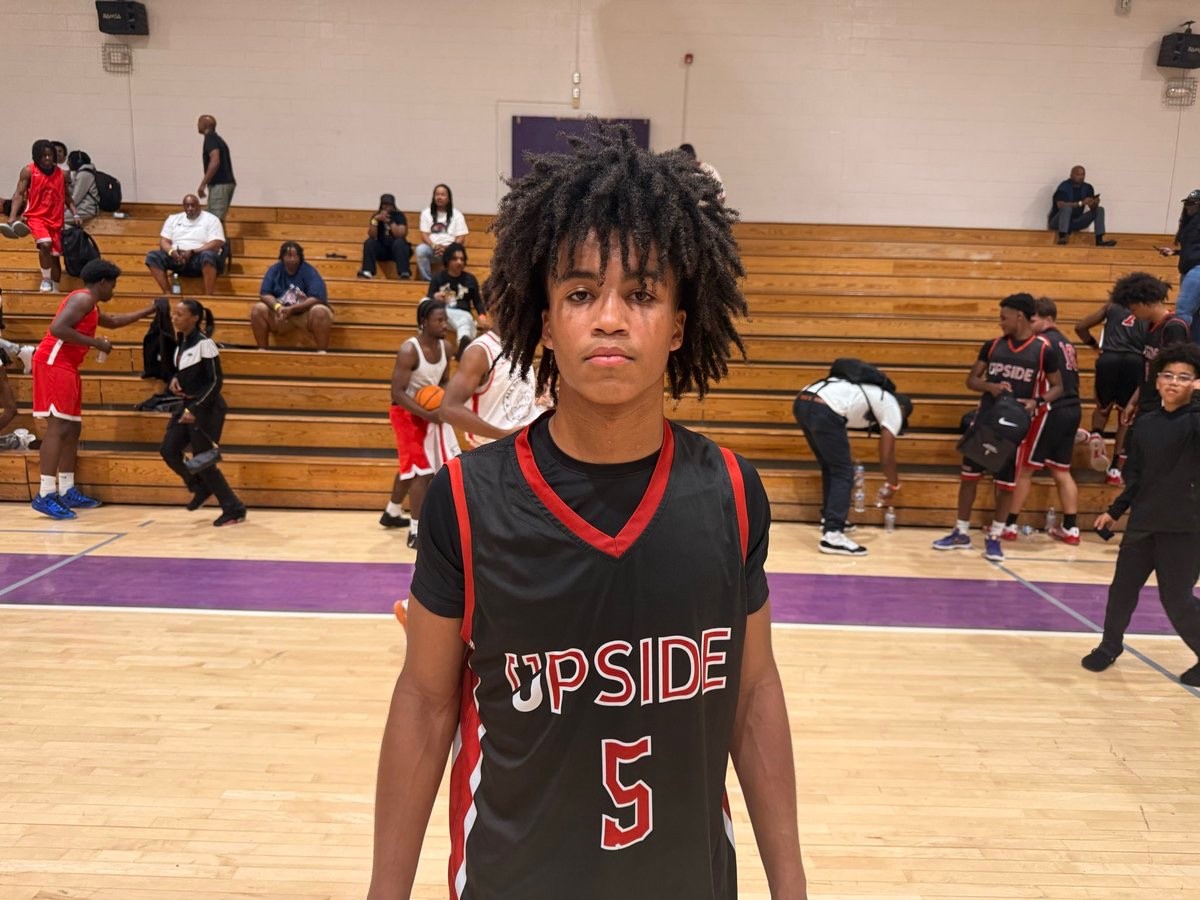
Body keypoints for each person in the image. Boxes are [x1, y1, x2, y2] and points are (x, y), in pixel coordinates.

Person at [368, 124, 807, 900]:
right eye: (579, 293)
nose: (609, 318)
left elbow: (752, 695)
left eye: (641, 294)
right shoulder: (467, 500)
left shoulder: (733, 494)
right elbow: (426, 703)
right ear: (544, 322)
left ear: (679, 324)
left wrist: (791, 886)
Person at [1085, 343, 1200, 688]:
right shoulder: (1145, 424)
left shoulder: (1195, 421)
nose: (1174, 382)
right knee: (1121, 590)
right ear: (1157, 380)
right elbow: (1136, 476)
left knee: (1176, 599)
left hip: (1185, 528)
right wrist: (1114, 511)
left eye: (1184, 377)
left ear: (1195, 383)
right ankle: (1109, 646)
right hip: (1143, 523)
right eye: (1168, 375)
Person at [932, 293, 1063, 562]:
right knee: (969, 478)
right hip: (986, 420)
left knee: (1005, 485)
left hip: (1013, 427)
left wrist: (1037, 401)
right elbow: (971, 380)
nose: (1000, 322)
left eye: (1004, 317)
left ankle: (995, 536)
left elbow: (1059, 387)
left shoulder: (1044, 350)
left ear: (1019, 316)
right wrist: (989, 386)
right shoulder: (992, 346)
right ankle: (961, 531)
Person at [29, 259, 155, 519]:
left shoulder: (91, 305)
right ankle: (45, 494)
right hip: (54, 362)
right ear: (103, 282)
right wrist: (95, 343)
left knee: (72, 428)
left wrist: (149, 310)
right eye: (113, 285)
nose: (113, 290)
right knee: (58, 427)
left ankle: (66, 489)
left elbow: (115, 321)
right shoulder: (83, 298)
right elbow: (58, 329)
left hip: (67, 366)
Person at [792, 373, 911, 556]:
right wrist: (893, 484)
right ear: (902, 409)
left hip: (803, 400)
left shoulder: (870, 393)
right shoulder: (893, 406)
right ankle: (833, 535)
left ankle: (830, 517)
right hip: (824, 406)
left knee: (831, 466)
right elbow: (887, 457)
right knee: (843, 472)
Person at [379, 298, 460, 546]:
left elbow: (443, 380)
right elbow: (397, 393)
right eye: (439, 320)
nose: (444, 324)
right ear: (424, 322)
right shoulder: (409, 350)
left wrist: (443, 401)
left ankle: (392, 512)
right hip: (405, 413)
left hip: (430, 412)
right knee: (421, 471)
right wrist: (428, 414)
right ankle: (416, 532)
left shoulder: (446, 348)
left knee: (412, 467)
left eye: (445, 319)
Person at [160, 298, 246, 526]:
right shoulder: (182, 342)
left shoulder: (205, 344)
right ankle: (199, 487)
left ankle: (234, 508)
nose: (174, 318)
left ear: (195, 318)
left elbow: (215, 381)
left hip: (206, 408)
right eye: (174, 314)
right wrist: (175, 379)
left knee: (203, 461)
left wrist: (195, 409)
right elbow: (186, 371)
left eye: (180, 314)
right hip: (186, 405)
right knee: (169, 450)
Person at [1003, 298, 1082, 544]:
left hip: (1051, 409)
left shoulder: (1042, 343)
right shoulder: (1067, 342)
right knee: (1061, 471)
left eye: (1033, 319)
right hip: (1073, 409)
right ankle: (1071, 528)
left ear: (1048, 319)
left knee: (1025, 469)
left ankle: (1008, 524)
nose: (1029, 323)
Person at [1075, 279, 1149, 486]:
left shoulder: (1111, 306)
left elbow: (1080, 327)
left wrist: (1093, 345)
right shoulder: (1148, 310)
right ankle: (1115, 469)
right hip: (1135, 360)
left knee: (1102, 408)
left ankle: (1096, 435)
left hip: (1108, 358)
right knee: (1125, 416)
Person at [439, 305, 541, 449]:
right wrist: (504, 435)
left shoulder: (519, 344)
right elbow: (449, 409)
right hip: (494, 450)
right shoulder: (479, 352)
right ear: (495, 310)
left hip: (527, 445)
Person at [1, 140, 79, 292]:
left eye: (50, 155)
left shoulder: (62, 175)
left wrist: (75, 213)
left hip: (56, 220)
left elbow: (67, 197)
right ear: (36, 156)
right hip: (36, 217)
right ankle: (46, 279)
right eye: (43, 156)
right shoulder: (28, 171)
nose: (47, 158)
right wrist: (12, 217)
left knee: (55, 258)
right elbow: (19, 194)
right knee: (45, 244)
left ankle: (54, 291)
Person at [1119, 272, 1190, 430]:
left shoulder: (1173, 327)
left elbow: (1178, 373)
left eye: (1133, 309)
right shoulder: (1151, 327)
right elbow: (1148, 370)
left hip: (1161, 408)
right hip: (1147, 402)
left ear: (1145, 303)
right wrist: (1133, 401)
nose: (1132, 314)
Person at [250, 241, 334, 353]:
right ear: (282, 257)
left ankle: (322, 352)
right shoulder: (274, 270)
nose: (293, 259)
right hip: (281, 315)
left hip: (304, 315)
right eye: (289, 256)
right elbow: (265, 294)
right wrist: (278, 307)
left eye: (296, 256)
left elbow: (318, 297)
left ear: (300, 257)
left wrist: (294, 309)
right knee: (258, 309)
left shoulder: (309, 271)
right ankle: (262, 351)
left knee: (320, 311)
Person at [144, 194, 226, 296]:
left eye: (193, 205)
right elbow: (164, 241)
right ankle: (168, 293)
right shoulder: (173, 219)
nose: (190, 208)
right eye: (187, 205)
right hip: (177, 257)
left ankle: (208, 295)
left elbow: (217, 243)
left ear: (199, 205)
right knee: (153, 256)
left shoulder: (211, 219)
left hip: (199, 257)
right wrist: (172, 252)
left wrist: (193, 251)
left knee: (208, 255)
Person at [426, 242, 484, 357]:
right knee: (423, 302)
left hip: (464, 315)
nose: (459, 262)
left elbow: (477, 302)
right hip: (443, 316)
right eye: (455, 259)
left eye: (462, 259)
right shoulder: (438, 278)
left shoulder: (470, 279)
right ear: (447, 260)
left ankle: (463, 347)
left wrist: (482, 317)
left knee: (465, 319)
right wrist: (435, 297)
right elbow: (429, 297)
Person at [1157, 189, 1200, 334]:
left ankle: (1179, 342)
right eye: (1187, 203)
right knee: (1194, 312)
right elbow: (1192, 248)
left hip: (1196, 269)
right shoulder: (1190, 222)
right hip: (1189, 268)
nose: (1188, 206)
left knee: (1183, 311)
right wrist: (1175, 252)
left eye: (1192, 203)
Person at [1048, 166, 1116, 247]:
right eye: (1078, 174)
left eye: (1083, 174)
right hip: (1058, 222)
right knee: (1067, 208)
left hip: (1075, 222)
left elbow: (1092, 208)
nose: (1081, 177)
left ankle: (1099, 240)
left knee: (1099, 209)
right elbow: (1060, 205)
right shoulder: (1064, 186)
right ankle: (1062, 237)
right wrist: (1081, 203)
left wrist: (1094, 203)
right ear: (1071, 175)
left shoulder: (1088, 187)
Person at [414, 183, 468, 281]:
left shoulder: (457, 214)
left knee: (458, 252)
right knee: (420, 250)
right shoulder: (426, 213)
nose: (439, 197)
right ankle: (427, 280)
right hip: (433, 248)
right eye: (437, 194)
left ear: (448, 198)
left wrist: (449, 248)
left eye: (443, 195)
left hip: (450, 249)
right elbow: (424, 235)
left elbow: (461, 237)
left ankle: (452, 280)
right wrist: (434, 246)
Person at [358, 193, 411, 279]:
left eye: (389, 205)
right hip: (382, 249)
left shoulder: (399, 216)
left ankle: (404, 273)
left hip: (396, 250)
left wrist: (390, 221)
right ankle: (368, 271)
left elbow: (400, 234)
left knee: (400, 242)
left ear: (393, 205)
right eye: (384, 204)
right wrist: (375, 220)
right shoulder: (376, 216)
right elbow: (372, 235)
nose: (387, 207)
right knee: (369, 242)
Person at [197, 114, 236, 222]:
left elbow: (215, 161)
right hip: (221, 185)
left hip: (220, 185)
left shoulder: (210, 138)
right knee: (212, 218)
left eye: (199, 122)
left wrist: (203, 184)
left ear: (205, 125)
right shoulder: (216, 139)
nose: (197, 125)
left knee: (214, 220)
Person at [65, 150, 99, 227]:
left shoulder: (84, 174)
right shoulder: (79, 173)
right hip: (81, 207)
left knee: (56, 218)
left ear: (78, 162)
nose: (68, 163)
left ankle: (74, 232)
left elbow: (75, 199)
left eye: (69, 160)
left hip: (87, 209)